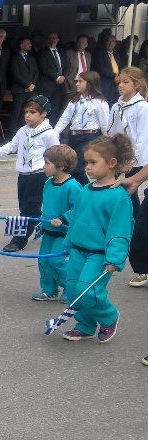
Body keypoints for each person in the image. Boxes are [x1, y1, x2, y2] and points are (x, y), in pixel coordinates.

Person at [60, 135, 134, 343]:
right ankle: (85, 325)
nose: (88, 167)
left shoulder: (118, 197)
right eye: (87, 163)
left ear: (112, 164)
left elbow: (120, 231)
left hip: (99, 255)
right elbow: (75, 218)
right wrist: (67, 244)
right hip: (77, 250)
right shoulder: (85, 190)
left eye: (93, 162)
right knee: (74, 288)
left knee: (88, 290)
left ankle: (109, 317)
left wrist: (115, 259)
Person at [0, 95, 60, 252]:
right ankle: (38, 221)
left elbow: (57, 154)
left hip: (39, 175)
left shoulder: (49, 133)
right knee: (24, 207)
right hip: (23, 175)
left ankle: (19, 240)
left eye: (33, 112)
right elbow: (12, 145)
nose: (28, 115)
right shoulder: (23, 131)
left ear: (44, 114)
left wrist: (55, 173)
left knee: (30, 209)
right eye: (26, 112)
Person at [108, 67, 148, 288]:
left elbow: (142, 137)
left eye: (125, 82)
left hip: (137, 160)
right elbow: (112, 132)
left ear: (136, 84)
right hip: (118, 158)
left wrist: (130, 162)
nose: (121, 86)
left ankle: (139, 261)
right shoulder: (117, 105)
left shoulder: (142, 108)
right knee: (120, 197)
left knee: (130, 199)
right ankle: (124, 229)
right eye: (119, 82)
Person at [32, 145, 82, 301]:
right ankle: (49, 290)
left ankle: (70, 287)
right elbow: (48, 204)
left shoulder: (72, 186)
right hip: (48, 231)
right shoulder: (48, 183)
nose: (43, 166)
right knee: (44, 260)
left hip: (64, 233)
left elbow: (79, 209)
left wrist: (62, 219)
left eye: (47, 163)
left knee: (57, 260)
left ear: (60, 166)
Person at [52, 71, 109, 183]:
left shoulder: (99, 102)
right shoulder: (74, 101)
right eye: (76, 81)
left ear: (90, 83)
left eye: (80, 81)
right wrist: (54, 133)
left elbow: (105, 124)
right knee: (70, 166)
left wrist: (109, 142)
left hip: (90, 137)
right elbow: (65, 119)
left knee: (77, 169)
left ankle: (87, 191)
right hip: (73, 136)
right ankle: (80, 193)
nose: (77, 84)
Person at [8, 37, 39, 135]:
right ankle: (12, 133)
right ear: (21, 45)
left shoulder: (31, 58)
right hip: (19, 90)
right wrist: (27, 85)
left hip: (30, 90)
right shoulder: (14, 58)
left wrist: (32, 84)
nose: (30, 45)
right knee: (16, 113)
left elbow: (36, 72)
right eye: (28, 43)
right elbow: (15, 74)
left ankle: (24, 132)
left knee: (27, 113)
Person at [93, 34, 121, 104]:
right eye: (109, 41)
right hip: (105, 84)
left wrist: (120, 76)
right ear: (105, 42)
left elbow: (119, 67)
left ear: (115, 43)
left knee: (115, 103)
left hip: (116, 83)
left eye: (113, 41)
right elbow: (101, 68)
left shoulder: (116, 54)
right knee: (105, 103)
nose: (111, 43)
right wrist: (114, 76)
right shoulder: (100, 53)